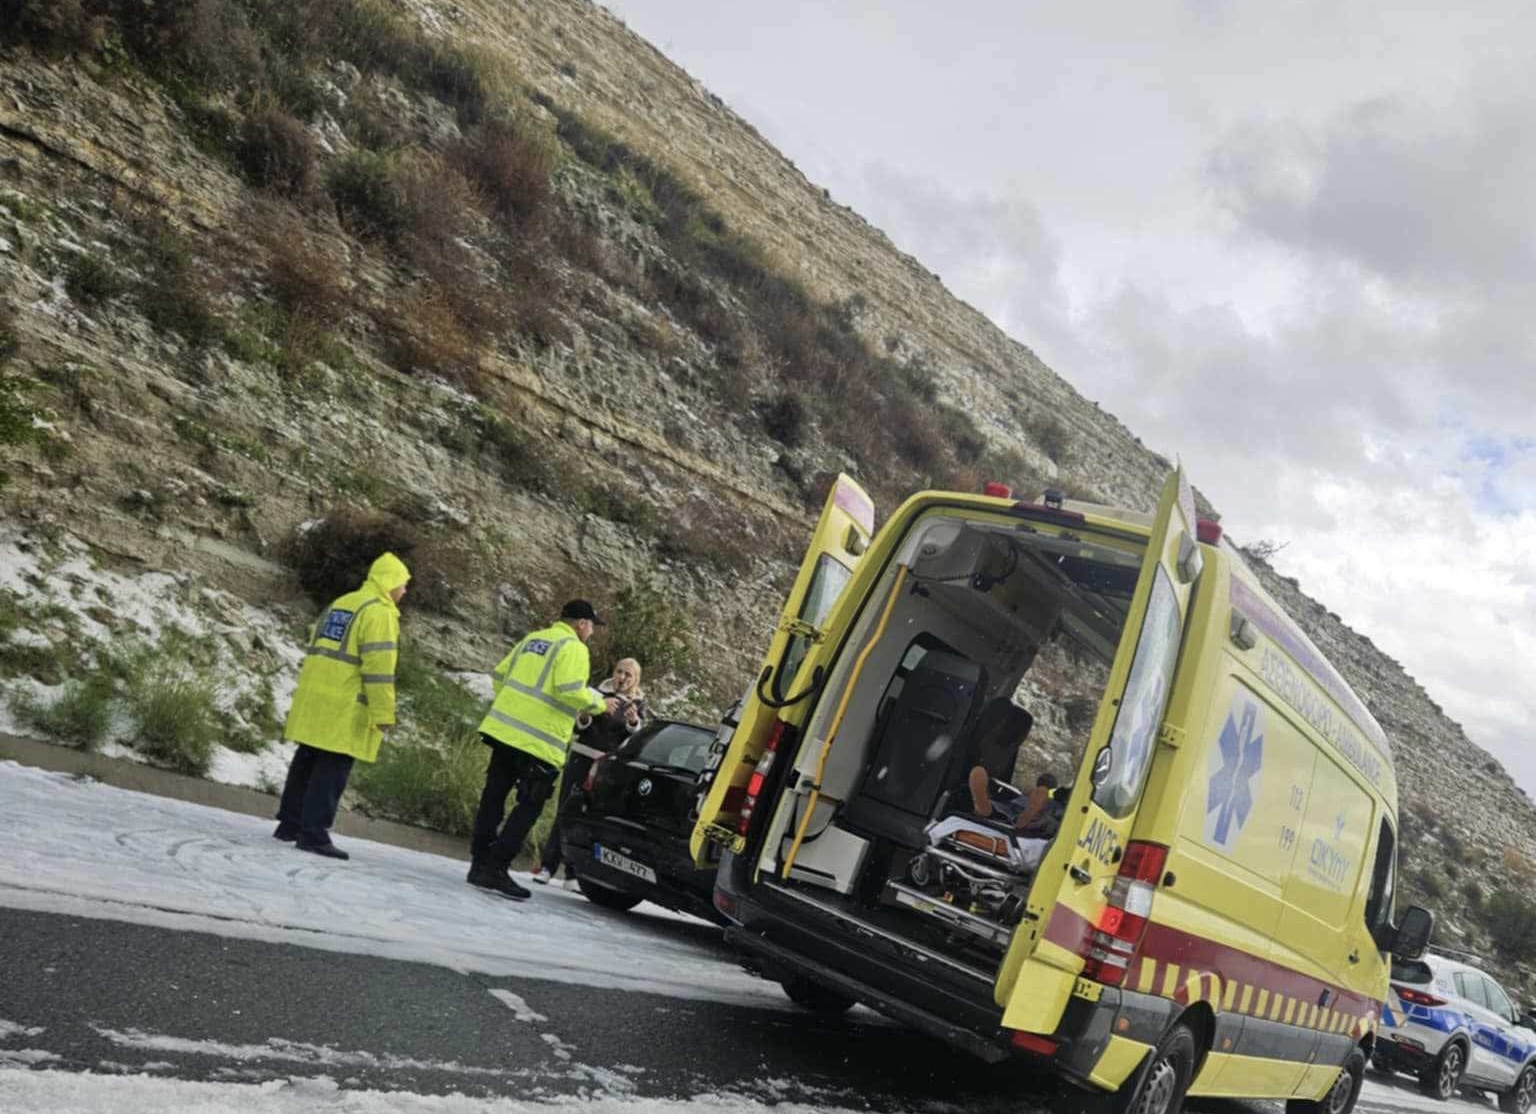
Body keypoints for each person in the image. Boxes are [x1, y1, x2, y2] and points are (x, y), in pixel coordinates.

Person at [468, 599, 615, 901]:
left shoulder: (533, 640)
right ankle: (497, 868)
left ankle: (479, 864)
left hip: (504, 731)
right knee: (529, 805)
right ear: (582, 624)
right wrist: (600, 704)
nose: (591, 634)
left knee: (493, 798)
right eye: (591, 627)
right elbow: (568, 688)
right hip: (538, 742)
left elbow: (498, 676)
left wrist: (514, 708)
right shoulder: (574, 647)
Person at [275, 552, 410, 861]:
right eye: (402, 585)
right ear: (389, 583)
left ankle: (289, 824)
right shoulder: (379, 613)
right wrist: (383, 714)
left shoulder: (343, 603)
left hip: (317, 698)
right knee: (332, 769)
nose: (404, 592)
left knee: (306, 759)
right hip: (346, 705)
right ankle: (314, 834)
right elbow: (378, 668)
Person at [532, 657, 647, 884]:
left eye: (628, 675)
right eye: (619, 671)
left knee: (588, 817)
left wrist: (632, 723)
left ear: (636, 679)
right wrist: (586, 715)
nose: (621, 678)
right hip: (581, 757)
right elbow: (576, 725)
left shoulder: (639, 704)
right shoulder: (595, 692)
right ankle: (547, 866)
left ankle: (573, 873)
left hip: (605, 766)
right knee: (565, 810)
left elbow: (637, 738)